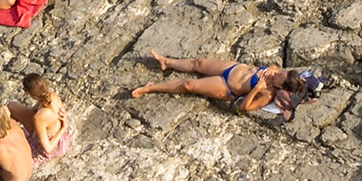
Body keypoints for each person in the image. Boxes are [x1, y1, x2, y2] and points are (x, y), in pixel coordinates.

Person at [129, 51, 324, 120]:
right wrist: (271, 69)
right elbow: (274, 67)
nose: (278, 72)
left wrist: (257, 87)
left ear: (282, 86)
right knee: (199, 63)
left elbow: (244, 108)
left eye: (280, 75)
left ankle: (150, 87)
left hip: (227, 86)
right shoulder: (274, 71)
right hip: (235, 68)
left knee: (189, 85)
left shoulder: (268, 93)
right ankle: (167, 61)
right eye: (281, 71)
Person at [7, 74, 73, 162]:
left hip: (54, 144)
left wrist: (63, 128)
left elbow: (48, 149)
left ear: (29, 93)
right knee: (13, 106)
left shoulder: (39, 118)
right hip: (62, 136)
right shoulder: (51, 95)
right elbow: (34, 109)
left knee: (11, 107)